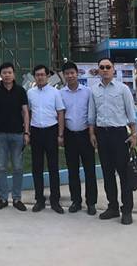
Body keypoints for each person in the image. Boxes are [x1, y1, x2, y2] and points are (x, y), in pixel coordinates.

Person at [88, 58, 137, 225]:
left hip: (119, 135)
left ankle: (127, 210)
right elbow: (91, 115)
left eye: (108, 67)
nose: (105, 70)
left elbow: (131, 113)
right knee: (107, 173)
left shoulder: (123, 89)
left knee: (124, 174)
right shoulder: (94, 90)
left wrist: (134, 134)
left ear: (113, 70)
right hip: (102, 135)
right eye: (101, 67)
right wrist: (92, 134)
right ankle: (113, 207)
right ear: (98, 70)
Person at [0, 62, 29, 211]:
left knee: (18, 167)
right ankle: (3, 198)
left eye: (9, 72)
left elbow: (25, 112)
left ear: (14, 74)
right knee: (1, 167)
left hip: (17, 134)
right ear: (0, 75)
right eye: (4, 73)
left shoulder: (20, 91)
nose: (7, 75)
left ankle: (17, 198)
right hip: (0, 135)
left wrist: (27, 132)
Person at [60, 61, 97, 215]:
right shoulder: (61, 93)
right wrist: (61, 135)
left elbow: (92, 114)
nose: (70, 76)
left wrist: (92, 133)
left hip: (85, 135)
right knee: (72, 170)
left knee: (90, 170)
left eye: (72, 73)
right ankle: (76, 201)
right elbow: (60, 115)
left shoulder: (87, 92)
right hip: (70, 135)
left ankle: (91, 203)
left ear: (77, 74)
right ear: (64, 76)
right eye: (67, 73)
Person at [28, 64, 65, 214]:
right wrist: (27, 132)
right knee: (37, 167)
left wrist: (60, 134)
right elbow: (28, 112)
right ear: (34, 77)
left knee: (53, 167)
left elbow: (60, 113)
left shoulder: (55, 92)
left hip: (51, 130)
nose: (40, 77)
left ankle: (55, 200)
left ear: (48, 76)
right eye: (37, 75)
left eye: (42, 74)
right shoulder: (30, 93)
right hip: (36, 131)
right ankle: (39, 199)